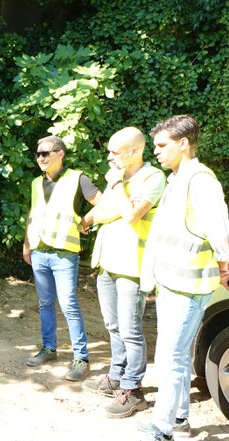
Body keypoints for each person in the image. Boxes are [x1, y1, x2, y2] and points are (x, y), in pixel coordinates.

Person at [126, 115, 229, 441]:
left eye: (161, 145)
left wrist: (224, 263)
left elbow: (219, 227)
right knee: (175, 353)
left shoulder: (199, 180)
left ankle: (163, 434)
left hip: (188, 286)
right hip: (173, 282)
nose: (156, 152)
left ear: (183, 144)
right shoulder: (178, 179)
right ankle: (179, 417)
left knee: (169, 357)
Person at [82, 128, 166, 417]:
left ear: (134, 151)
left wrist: (117, 187)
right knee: (112, 325)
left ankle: (133, 389)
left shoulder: (153, 178)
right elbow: (103, 213)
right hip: (107, 264)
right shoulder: (120, 179)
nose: (109, 157)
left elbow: (131, 214)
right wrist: (118, 201)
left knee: (131, 330)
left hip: (132, 265)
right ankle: (116, 376)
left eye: (114, 152)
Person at [23, 136, 101, 381]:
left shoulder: (78, 178)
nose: (40, 158)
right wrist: (27, 244)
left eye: (45, 153)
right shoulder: (37, 183)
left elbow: (103, 203)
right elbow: (33, 214)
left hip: (65, 253)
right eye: (37, 154)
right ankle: (49, 348)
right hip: (39, 251)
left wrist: (85, 221)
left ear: (60, 154)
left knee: (68, 305)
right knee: (45, 304)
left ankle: (81, 358)